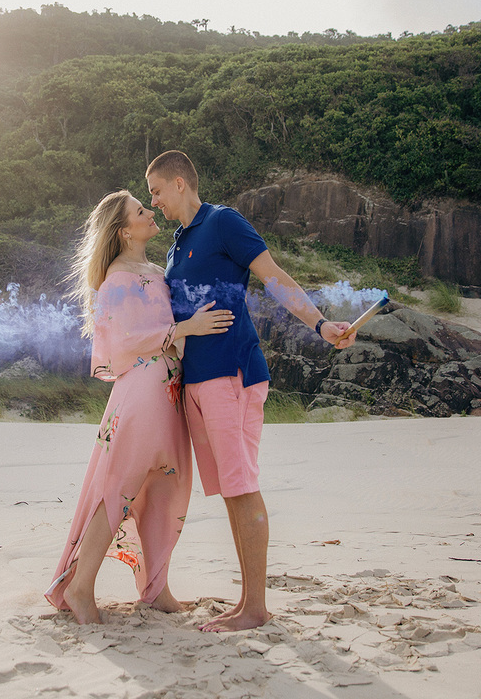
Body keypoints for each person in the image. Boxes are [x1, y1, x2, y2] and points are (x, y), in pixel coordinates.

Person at [146, 150, 357, 632]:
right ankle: (246, 602)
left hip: (232, 375)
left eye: (156, 190)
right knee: (229, 492)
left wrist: (320, 325)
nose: (153, 201)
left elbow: (274, 277)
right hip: (196, 382)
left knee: (242, 487)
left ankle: (256, 608)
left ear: (179, 183)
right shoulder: (177, 245)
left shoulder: (223, 222)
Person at [46, 189, 235, 624]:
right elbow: (125, 342)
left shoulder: (153, 269)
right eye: (140, 210)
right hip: (143, 392)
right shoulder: (117, 279)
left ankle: (156, 589)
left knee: (165, 486)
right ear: (123, 230)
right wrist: (187, 327)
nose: (150, 213)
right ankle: (80, 588)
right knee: (120, 487)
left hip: (168, 390)